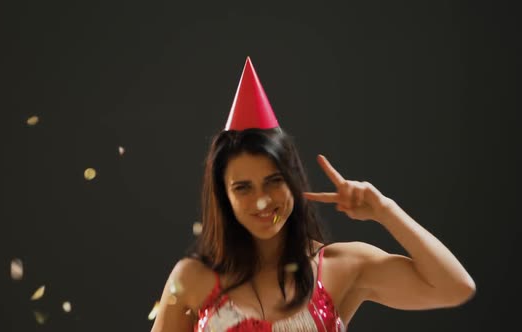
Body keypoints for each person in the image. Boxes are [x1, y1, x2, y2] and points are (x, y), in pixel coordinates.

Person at [150, 57, 476, 332]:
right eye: (243, 187)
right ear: (224, 196)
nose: (262, 200)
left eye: (274, 181)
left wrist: (385, 211)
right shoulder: (193, 278)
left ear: (294, 180)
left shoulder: (341, 267)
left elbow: (454, 287)